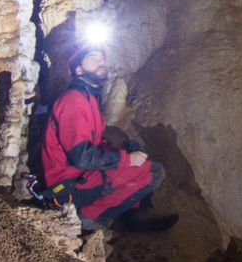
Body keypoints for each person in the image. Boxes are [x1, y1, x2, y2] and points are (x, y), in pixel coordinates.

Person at [37, 40, 174, 233]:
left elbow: (100, 136)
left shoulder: (88, 98)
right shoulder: (73, 102)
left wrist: (126, 145)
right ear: (78, 70)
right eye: (92, 58)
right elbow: (82, 157)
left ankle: (134, 213)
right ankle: (90, 217)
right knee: (153, 172)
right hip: (69, 186)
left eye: (102, 57)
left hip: (83, 177)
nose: (101, 62)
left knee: (132, 160)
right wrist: (126, 159)